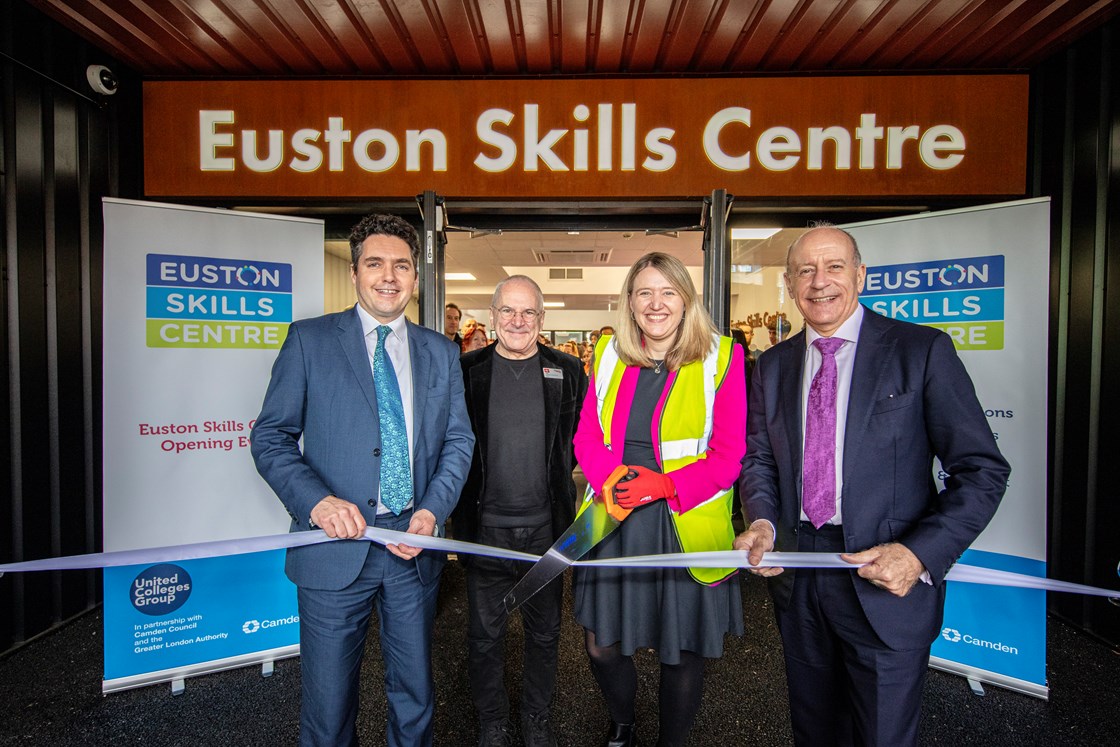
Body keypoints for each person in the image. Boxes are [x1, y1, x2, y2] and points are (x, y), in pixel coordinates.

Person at [734, 225, 1010, 746]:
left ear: (860, 275)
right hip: (799, 576)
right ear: (790, 285)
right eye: (805, 271)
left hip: (887, 578)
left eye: (834, 266)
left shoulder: (921, 350)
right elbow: (761, 460)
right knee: (813, 730)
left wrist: (919, 554)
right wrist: (763, 522)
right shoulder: (772, 365)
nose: (820, 282)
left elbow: (982, 469)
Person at [251, 213, 475, 747]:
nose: (389, 276)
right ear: (355, 272)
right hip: (332, 548)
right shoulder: (309, 341)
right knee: (328, 708)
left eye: (402, 265)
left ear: (415, 277)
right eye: (375, 263)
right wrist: (318, 502)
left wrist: (431, 512)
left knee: (415, 696)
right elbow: (271, 437)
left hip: (410, 546)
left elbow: (458, 442)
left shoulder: (441, 352)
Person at [573, 252, 746, 747]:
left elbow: (730, 455)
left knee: (681, 650)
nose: (656, 303)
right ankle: (623, 721)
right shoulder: (609, 351)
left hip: (682, 520)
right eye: (645, 292)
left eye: (668, 292)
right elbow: (587, 434)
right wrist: (613, 479)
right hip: (615, 516)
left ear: (686, 299)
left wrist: (665, 484)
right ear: (630, 301)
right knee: (602, 645)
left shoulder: (722, 355)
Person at [454, 275, 588, 747]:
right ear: (492, 317)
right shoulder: (465, 369)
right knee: (484, 637)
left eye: (528, 312)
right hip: (483, 531)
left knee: (546, 635)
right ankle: (492, 721)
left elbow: (581, 445)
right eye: (508, 311)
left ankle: (536, 717)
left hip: (545, 533)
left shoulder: (568, 371)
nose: (517, 321)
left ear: (542, 320)